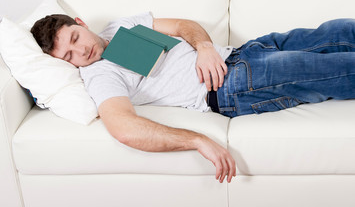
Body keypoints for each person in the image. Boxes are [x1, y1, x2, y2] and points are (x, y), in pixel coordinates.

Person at [31, 12, 355, 184]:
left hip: (245, 51)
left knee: (341, 30)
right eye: (69, 56)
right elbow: (123, 128)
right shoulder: (100, 75)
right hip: (235, 85)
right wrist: (197, 140)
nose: (81, 51)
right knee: (336, 69)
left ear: (81, 23)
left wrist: (204, 47)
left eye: (75, 38)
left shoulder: (121, 25)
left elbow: (184, 25)